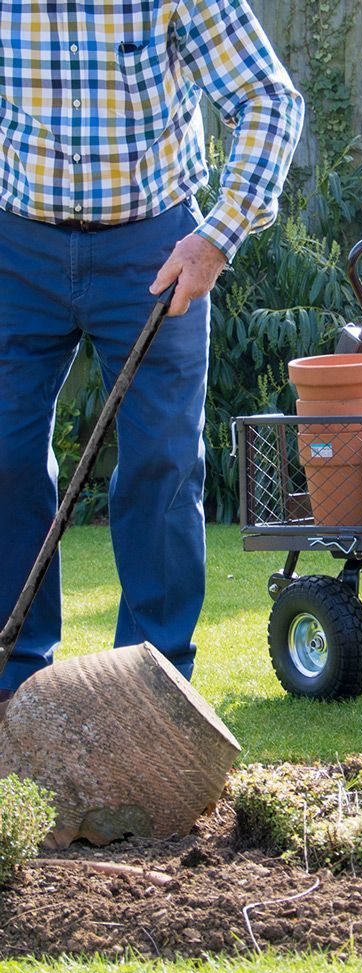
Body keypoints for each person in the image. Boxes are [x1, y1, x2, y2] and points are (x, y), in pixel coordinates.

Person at [0, 1, 305, 715]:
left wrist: (218, 237)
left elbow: (268, 100)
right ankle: (15, 683)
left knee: (160, 465)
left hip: (155, 245)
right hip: (17, 248)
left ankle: (149, 686)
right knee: (4, 457)